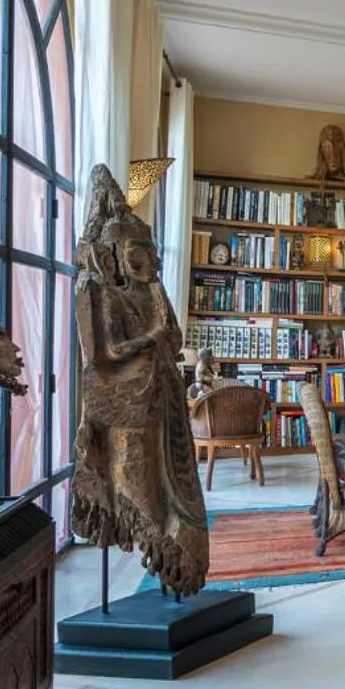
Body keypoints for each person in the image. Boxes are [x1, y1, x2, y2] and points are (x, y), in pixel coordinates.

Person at [71, 166, 210, 597]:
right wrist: (151, 339)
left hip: (163, 394)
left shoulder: (152, 293)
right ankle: (153, 540)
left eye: (151, 252)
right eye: (137, 252)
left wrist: (160, 336)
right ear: (113, 255)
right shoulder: (101, 295)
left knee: (176, 475)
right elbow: (104, 354)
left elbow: (175, 337)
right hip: (127, 401)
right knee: (138, 479)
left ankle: (181, 555)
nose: (148, 261)